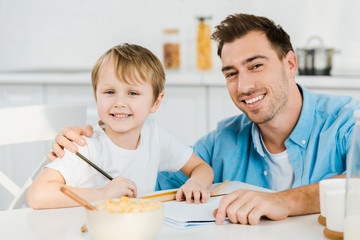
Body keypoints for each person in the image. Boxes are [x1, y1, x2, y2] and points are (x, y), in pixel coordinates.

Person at [47, 14, 359, 225]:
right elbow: (147, 189)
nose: (244, 86)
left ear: (290, 63)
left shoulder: (347, 121)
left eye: (256, 66)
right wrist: (90, 151)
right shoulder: (221, 143)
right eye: (231, 73)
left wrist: (284, 202)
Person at [27, 44, 214, 209]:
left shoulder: (154, 134)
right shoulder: (86, 145)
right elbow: (37, 195)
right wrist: (103, 195)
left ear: (155, 102)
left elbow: (201, 168)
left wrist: (196, 183)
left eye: (132, 93)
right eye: (109, 92)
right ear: (96, 96)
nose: (119, 102)